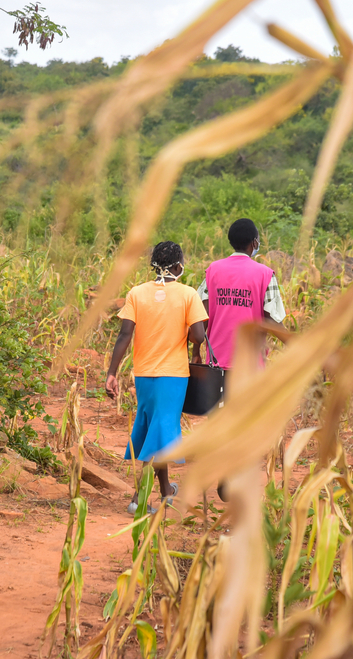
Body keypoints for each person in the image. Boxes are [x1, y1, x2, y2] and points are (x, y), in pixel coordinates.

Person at [105, 241, 208, 515]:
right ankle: (138, 499)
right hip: (173, 377)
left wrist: (111, 373)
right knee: (160, 434)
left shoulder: (137, 293)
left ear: (154, 265)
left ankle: (165, 492)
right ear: (178, 266)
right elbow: (199, 336)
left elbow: (124, 335)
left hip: (144, 375)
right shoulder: (187, 295)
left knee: (155, 430)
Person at [195, 218, 287, 369]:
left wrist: (196, 352)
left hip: (216, 365)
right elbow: (272, 319)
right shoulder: (265, 274)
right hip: (250, 365)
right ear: (255, 243)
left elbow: (201, 315)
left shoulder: (213, 270)